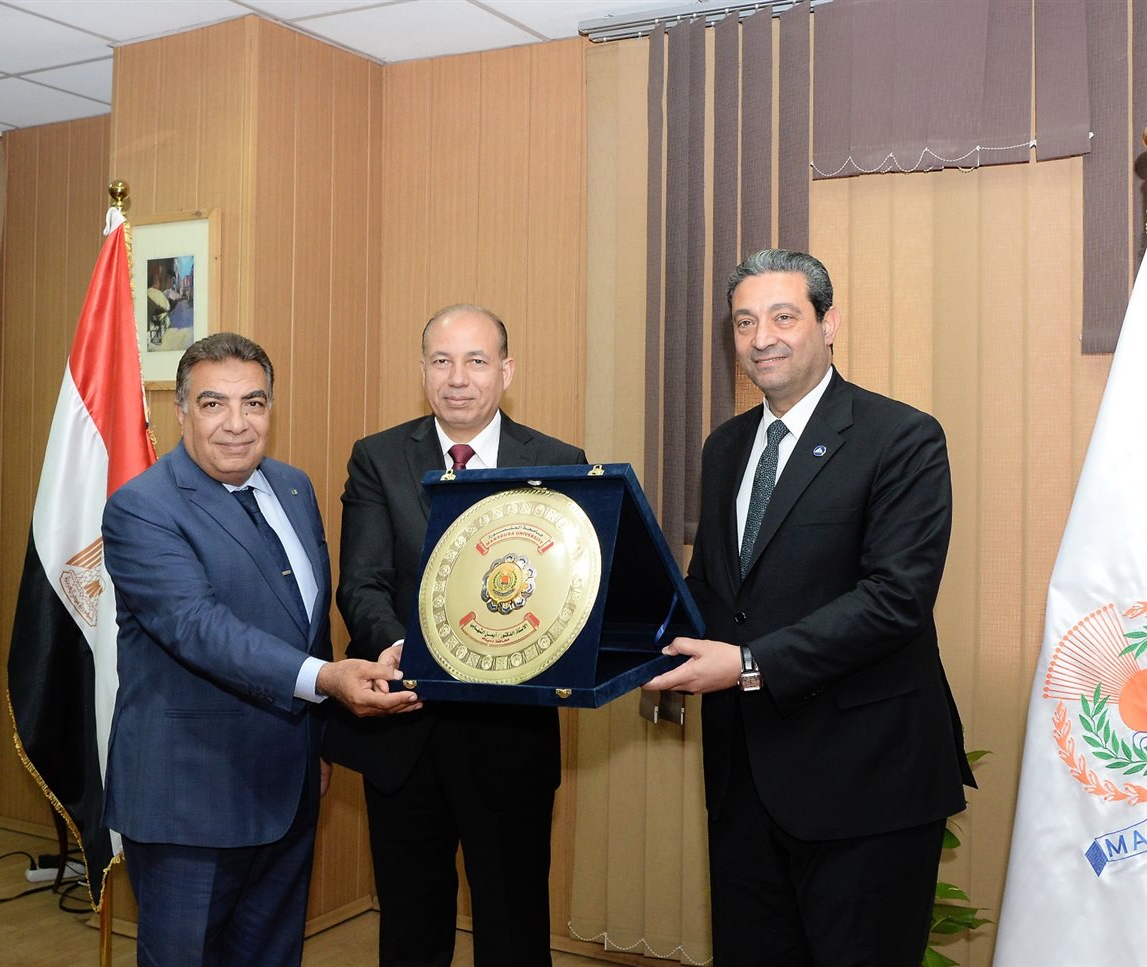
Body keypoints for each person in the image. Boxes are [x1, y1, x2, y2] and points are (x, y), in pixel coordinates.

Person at [644, 250, 975, 966]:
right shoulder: (725, 447)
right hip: (744, 780)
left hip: (865, 781)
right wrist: (620, 634)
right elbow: (712, 590)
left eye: (783, 316)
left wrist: (749, 664)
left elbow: (895, 599)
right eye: (744, 322)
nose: (762, 337)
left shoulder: (901, 437)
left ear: (829, 324)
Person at [102, 332, 420, 966]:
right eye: (213, 403)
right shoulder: (142, 508)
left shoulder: (293, 488)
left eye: (253, 402)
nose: (236, 424)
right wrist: (327, 680)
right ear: (181, 410)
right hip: (190, 800)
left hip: (288, 785)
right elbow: (198, 627)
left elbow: (307, 623)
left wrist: (319, 741)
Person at [322, 304, 587, 966]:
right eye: (442, 361)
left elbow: (570, 597)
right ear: (423, 371)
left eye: (476, 361)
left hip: (510, 736)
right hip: (405, 729)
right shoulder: (379, 458)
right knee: (411, 928)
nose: (458, 378)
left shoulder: (559, 462)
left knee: (513, 928)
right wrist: (399, 648)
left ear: (506, 371)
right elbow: (362, 584)